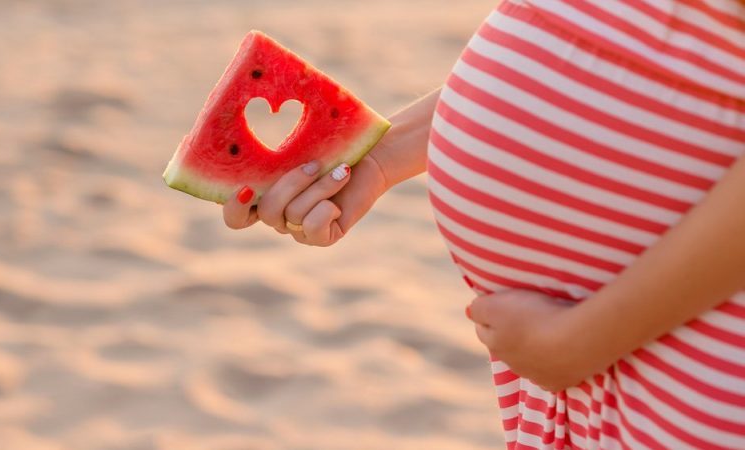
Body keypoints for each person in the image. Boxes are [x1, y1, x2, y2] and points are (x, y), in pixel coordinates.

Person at [222, 0, 745, 448]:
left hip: (684, 341)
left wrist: (584, 340)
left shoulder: (587, 342)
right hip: (590, 345)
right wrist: (380, 153)